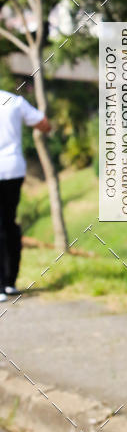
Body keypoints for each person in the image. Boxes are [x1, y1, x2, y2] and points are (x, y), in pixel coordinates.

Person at [0, 89, 51, 301]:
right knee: (9, 221)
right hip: (13, 169)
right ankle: (10, 281)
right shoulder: (14, 100)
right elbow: (44, 124)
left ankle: (1, 285)